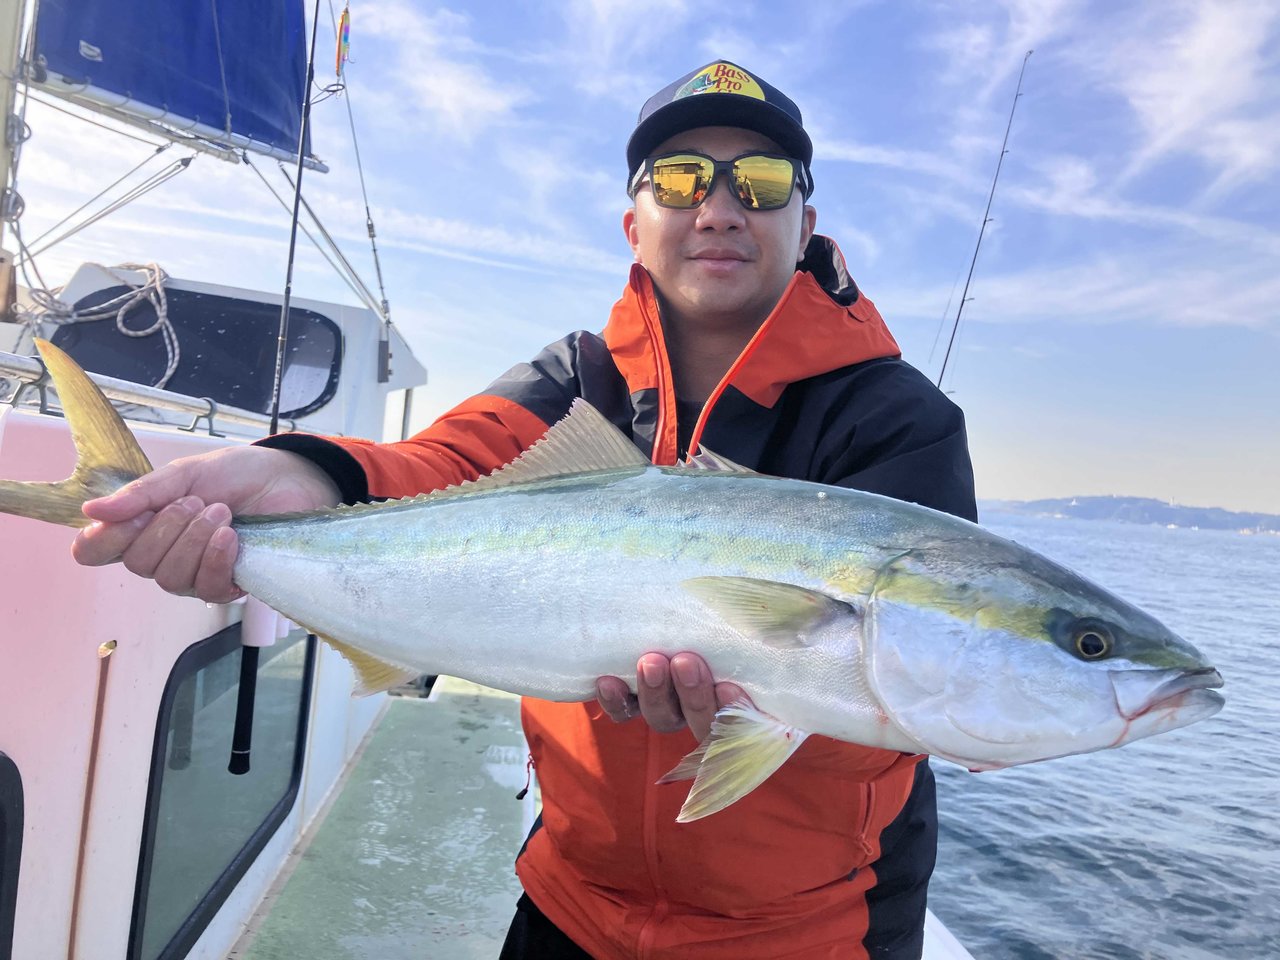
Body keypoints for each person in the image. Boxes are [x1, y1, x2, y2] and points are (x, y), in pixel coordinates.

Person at [73, 60, 976, 960]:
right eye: (678, 178)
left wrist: (771, 702)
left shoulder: (896, 418)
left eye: (763, 182)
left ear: (804, 222)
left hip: (813, 932)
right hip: (570, 900)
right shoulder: (577, 377)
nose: (719, 209)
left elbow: (903, 690)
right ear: (635, 223)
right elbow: (445, 467)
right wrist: (309, 476)